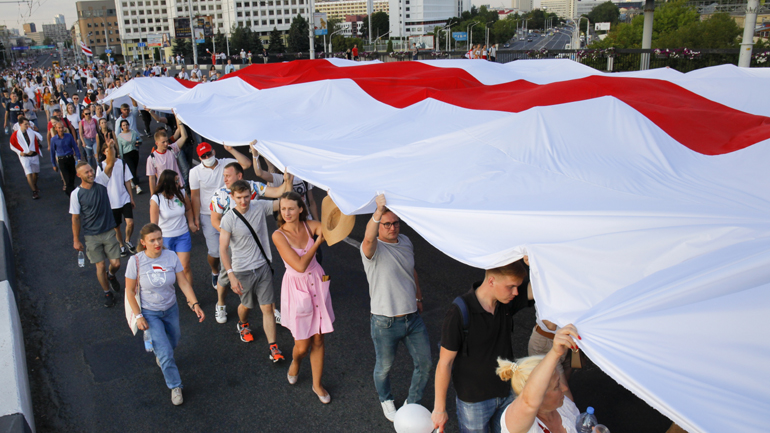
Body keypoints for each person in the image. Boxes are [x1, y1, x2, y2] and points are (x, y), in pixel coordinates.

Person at [432, 260, 532, 433]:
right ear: (491, 281)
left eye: (518, 286)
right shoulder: (459, 312)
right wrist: (439, 409)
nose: (516, 292)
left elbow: (537, 288)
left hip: (507, 391)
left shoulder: (506, 302)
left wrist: (535, 262)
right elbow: (445, 363)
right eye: (511, 286)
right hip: (474, 401)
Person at [361, 194, 431, 422]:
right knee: (384, 367)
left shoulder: (406, 242)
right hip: (385, 322)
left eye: (396, 223)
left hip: (412, 318)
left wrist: (418, 298)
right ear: (379, 225)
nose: (392, 228)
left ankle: (412, 402)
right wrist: (378, 212)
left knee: (425, 363)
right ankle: (386, 398)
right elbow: (369, 239)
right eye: (387, 224)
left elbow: (412, 271)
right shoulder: (372, 249)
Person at [125, 223, 205, 406]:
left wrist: (195, 303)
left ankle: (161, 351)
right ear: (144, 242)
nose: (157, 243)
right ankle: (175, 386)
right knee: (167, 353)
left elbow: (183, 282)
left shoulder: (171, 257)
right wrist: (139, 316)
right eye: (152, 240)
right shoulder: (136, 261)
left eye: (159, 238)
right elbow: (129, 292)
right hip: (149, 312)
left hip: (170, 309)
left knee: (174, 340)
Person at [273, 191, 333, 403]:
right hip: (297, 287)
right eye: (283, 209)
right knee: (302, 346)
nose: (286, 212)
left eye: (291, 208)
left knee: (319, 337)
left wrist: (334, 201)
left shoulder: (309, 225)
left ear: (301, 208)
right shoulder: (278, 235)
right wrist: (317, 243)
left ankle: (317, 384)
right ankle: (296, 360)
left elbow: (333, 228)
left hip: (316, 281)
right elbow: (299, 265)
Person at [219, 180, 286, 358]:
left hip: (262, 266)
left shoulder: (259, 206)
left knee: (267, 308)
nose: (243, 201)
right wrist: (231, 276)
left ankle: (273, 348)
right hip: (242, 270)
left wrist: (289, 180)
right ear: (232, 197)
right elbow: (223, 249)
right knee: (247, 305)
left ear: (251, 194)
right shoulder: (228, 219)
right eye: (239, 198)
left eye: (247, 197)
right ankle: (243, 323)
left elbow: (285, 201)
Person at [189, 142, 252, 289]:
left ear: (214, 151)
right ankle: (215, 270)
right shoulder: (195, 172)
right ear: (199, 157)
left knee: (234, 246)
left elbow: (246, 163)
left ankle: (232, 273)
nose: (207, 157)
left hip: (230, 212)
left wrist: (231, 149)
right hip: (208, 214)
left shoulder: (226, 163)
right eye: (203, 156)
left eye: (209, 154)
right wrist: (196, 217)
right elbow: (195, 196)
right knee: (214, 251)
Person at [496, 325, 581, 433]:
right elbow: (528, 402)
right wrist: (555, 353)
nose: (564, 388)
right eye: (556, 386)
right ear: (539, 395)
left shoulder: (564, 406)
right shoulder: (521, 426)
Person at [70, 143, 122, 307]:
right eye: (87, 172)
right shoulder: (76, 194)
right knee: (99, 266)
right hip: (91, 236)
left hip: (108, 231)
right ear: (80, 175)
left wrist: (111, 148)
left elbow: (111, 163)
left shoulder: (101, 181)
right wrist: (76, 240)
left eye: (91, 170)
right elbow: (76, 218)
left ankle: (111, 275)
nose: (91, 173)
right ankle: (107, 293)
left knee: (116, 264)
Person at [151, 169, 197, 286]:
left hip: (182, 234)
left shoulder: (181, 192)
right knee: (167, 268)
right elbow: (154, 224)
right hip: (165, 237)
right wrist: (155, 241)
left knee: (185, 266)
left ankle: (190, 297)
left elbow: (188, 208)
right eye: (176, 182)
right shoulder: (156, 199)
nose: (178, 184)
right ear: (167, 184)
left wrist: (191, 223)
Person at [98, 137, 136, 257]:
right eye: (109, 150)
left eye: (113, 149)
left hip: (124, 198)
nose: (111, 152)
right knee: (116, 227)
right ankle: (120, 245)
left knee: (130, 222)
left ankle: (127, 240)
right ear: (104, 152)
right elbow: (99, 185)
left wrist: (131, 197)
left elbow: (127, 181)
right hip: (111, 201)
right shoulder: (101, 167)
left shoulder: (122, 163)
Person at [146, 119, 187, 195]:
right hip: (164, 189)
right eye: (163, 142)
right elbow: (151, 178)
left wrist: (180, 122)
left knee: (182, 206)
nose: (166, 144)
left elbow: (184, 137)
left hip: (178, 185)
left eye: (167, 141)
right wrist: (153, 195)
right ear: (157, 143)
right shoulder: (151, 158)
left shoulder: (172, 149)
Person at [9, 116, 43, 199]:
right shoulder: (15, 134)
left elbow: (39, 137)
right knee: (28, 173)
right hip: (24, 157)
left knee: (36, 172)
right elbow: (12, 146)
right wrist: (20, 152)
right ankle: (34, 192)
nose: (27, 125)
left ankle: (34, 184)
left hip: (34, 155)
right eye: (25, 124)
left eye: (28, 124)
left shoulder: (30, 131)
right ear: (20, 124)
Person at [51, 120, 82, 196]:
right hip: (62, 160)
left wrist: (79, 158)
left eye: (62, 127)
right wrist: (54, 164)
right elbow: (52, 152)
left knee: (72, 177)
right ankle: (72, 196)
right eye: (59, 128)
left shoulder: (69, 136)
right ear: (56, 129)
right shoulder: (54, 139)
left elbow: (75, 147)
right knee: (67, 179)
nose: (61, 129)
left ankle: (72, 193)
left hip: (70, 158)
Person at [116, 118, 142, 195]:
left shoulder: (133, 132)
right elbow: (120, 147)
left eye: (127, 124)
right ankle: (137, 186)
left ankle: (132, 181)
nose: (126, 126)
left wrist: (138, 142)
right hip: (126, 154)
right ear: (121, 127)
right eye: (124, 125)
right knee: (132, 169)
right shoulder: (120, 136)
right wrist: (120, 156)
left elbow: (139, 139)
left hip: (134, 152)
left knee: (134, 168)